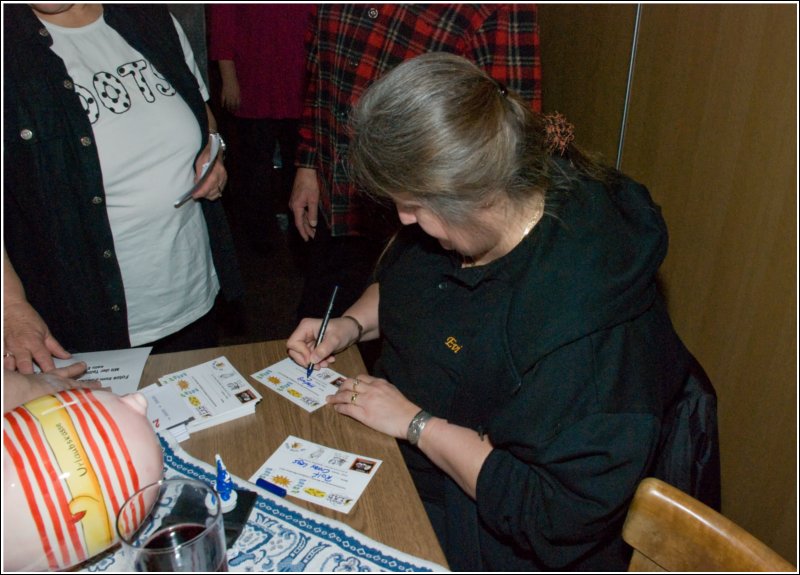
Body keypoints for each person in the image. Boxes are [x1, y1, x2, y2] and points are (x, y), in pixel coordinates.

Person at [287, 53, 720, 571]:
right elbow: (410, 286)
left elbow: (552, 514)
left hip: (493, 530)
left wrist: (416, 424)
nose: (403, 219)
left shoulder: (587, 333)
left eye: (415, 206)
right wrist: (350, 325)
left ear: (475, 193)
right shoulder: (475, 217)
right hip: (400, 453)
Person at [3, 4, 243, 374]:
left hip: (191, 295)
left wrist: (213, 150)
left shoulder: (150, 17)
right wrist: (10, 307)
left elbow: (200, 110)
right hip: (81, 319)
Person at [289, 4, 542, 321]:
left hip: (438, 212)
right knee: (327, 313)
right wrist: (309, 162)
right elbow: (320, 75)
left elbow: (511, 127)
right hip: (337, 194)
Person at [208, 4, 313, 254]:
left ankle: (301, 237)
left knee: (300, 168)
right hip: (254, 83)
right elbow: (223, 23)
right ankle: (260, 241)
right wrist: (228, 77)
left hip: (298, 83)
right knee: (253, 170)